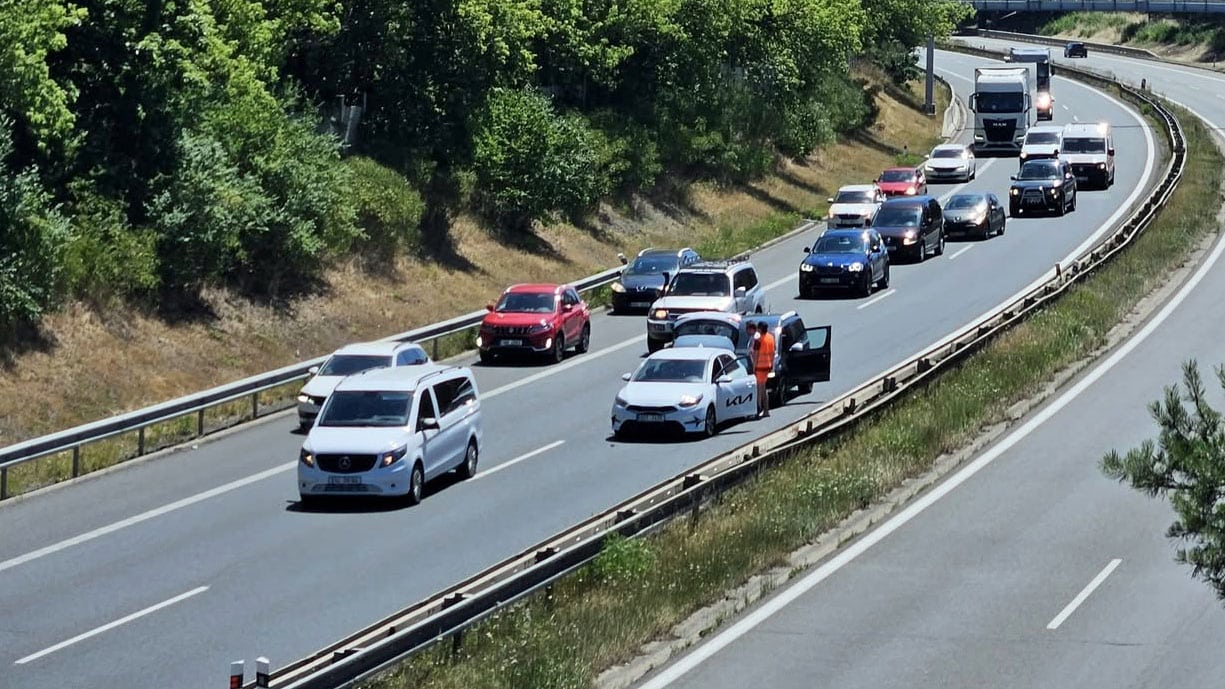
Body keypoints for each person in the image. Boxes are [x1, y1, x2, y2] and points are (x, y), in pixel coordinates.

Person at [750, 321, 776, 418]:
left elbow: (756, 354)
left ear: (760, 329)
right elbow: (773, 352)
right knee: (763, 388)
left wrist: (753, 367)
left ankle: (760, 409)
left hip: (760, 366)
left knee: (760, 389)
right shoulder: (771, 337)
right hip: (768, 365)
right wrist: (772, 365)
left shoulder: (758, 339)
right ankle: (765, 410)